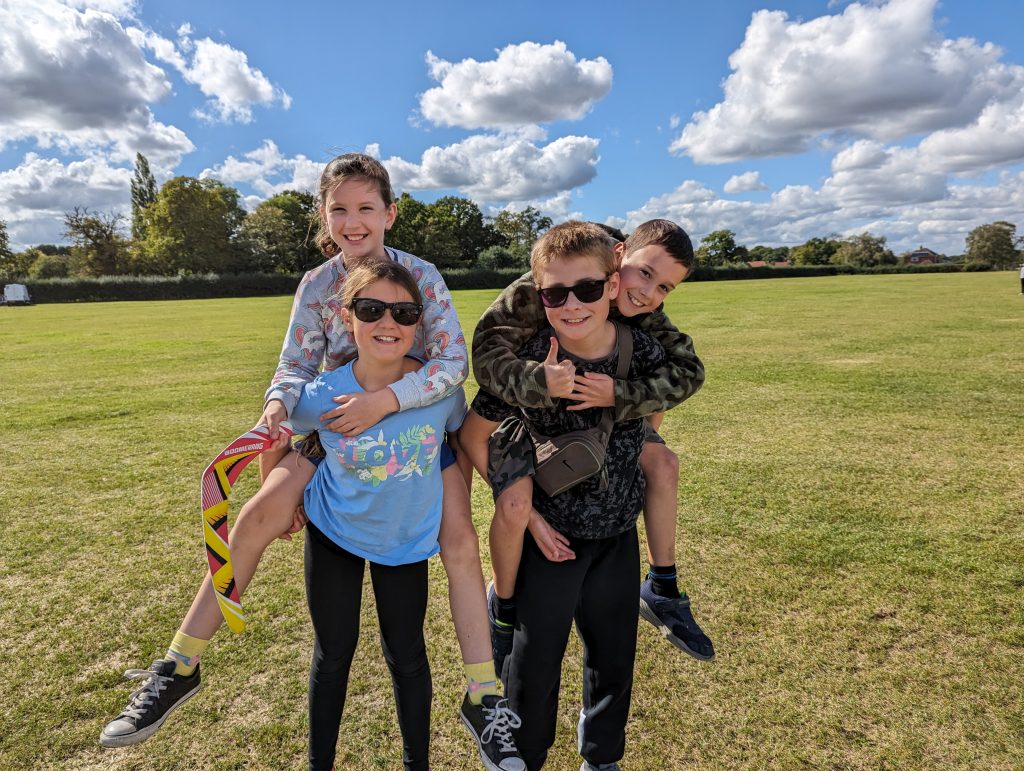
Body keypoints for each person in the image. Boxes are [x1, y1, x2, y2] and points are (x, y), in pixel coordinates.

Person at [100, 154, 522, 770]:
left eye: (366, 208)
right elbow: (296, 368)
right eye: (339, 209)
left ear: (389, 213)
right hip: (336, 427)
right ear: (325, 217)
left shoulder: (421, 275)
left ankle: (483, 695)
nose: (353, 222)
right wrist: (276, 409)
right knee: (259, 512)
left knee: (460, 547)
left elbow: (452, 363)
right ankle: (180, 662)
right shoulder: (318, 284)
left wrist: (386, 401)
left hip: (418, 430)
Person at [461, 219, 713, 684]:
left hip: (607, 427)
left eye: (665, 288)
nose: (647, 294)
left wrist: (620, 395)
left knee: (663, 462)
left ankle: (663, 586)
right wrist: (540, 382)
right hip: (532, 418)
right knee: (517, 505)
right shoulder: (549, 282)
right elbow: (487, 353)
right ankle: (504, 606)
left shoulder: (639, 305)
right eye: (644, 274)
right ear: (618, 257)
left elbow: (688, 371)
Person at [280, 261, 509, 769]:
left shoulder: (438, 390)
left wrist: (458, 516)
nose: (388, 322)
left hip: (404, 538)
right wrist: (285, 493)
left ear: (419, 323)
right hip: (333, 530)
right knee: (333, 653)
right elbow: (285, 432)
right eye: (371, 309)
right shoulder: (320, 394)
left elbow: (455, 439)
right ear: (348, 317)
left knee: (406, 654)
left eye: (404, 312)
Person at [463, 221, 665, 770]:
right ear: (538, 292)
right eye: (555, 293)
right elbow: (473, 436)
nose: (572, 305)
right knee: (535, 661)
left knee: (614, 655)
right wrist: (527, 518)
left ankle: (601, 757)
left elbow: (657, 420)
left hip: (618, 531)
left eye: (588, 290)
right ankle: (524, 757)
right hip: (552, 538)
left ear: (613, 282)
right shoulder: (527, 358)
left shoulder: (641, 350)